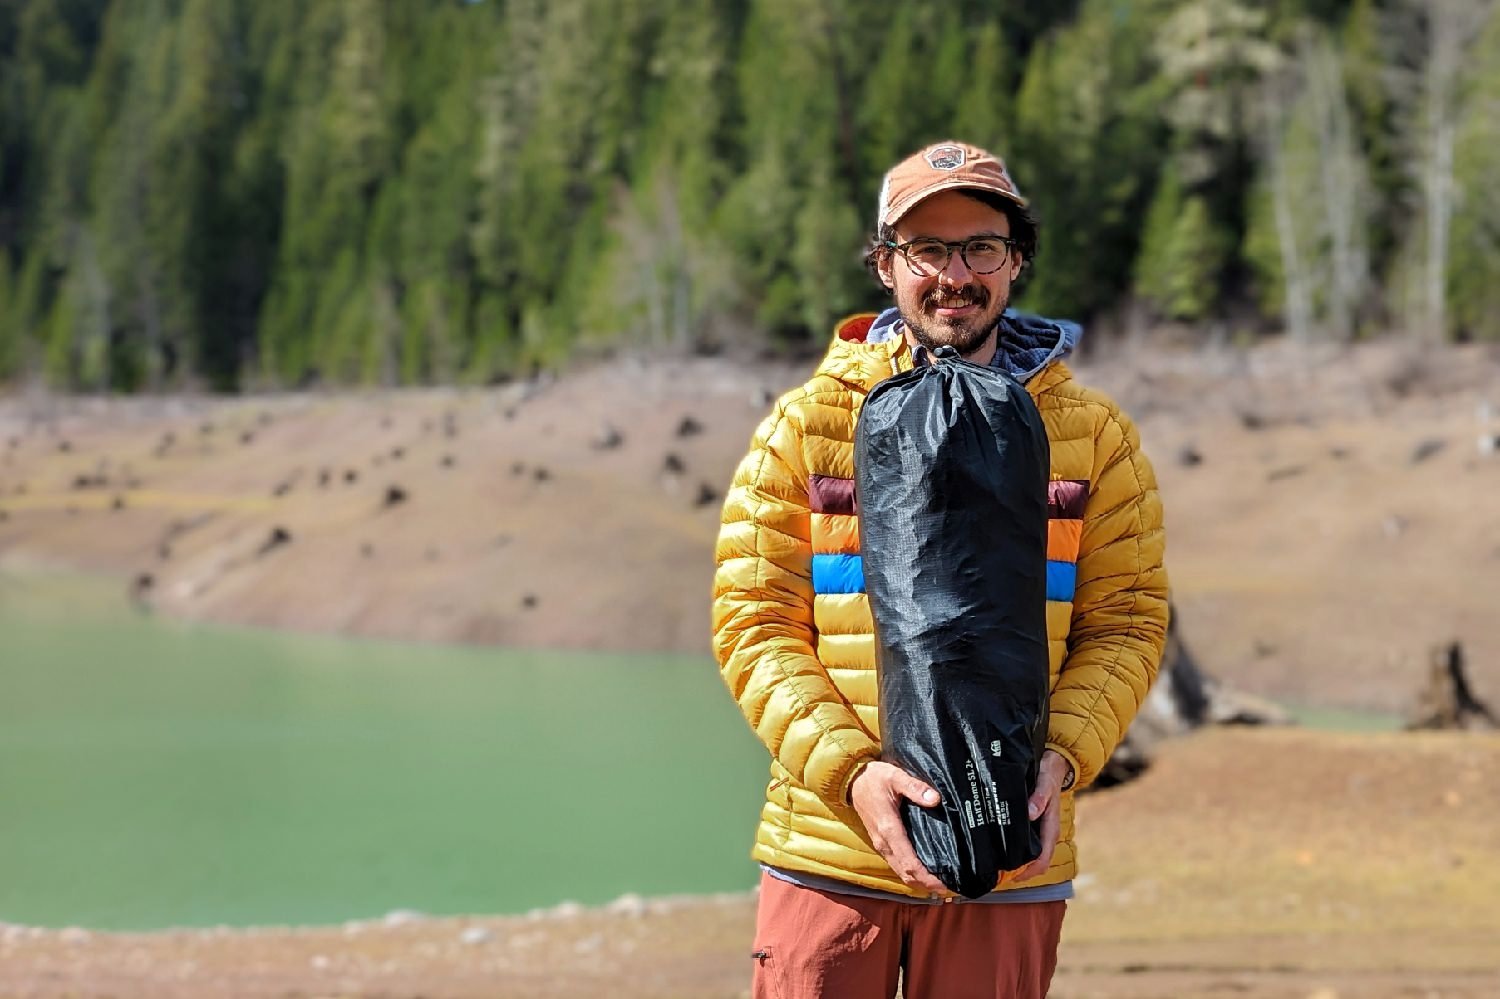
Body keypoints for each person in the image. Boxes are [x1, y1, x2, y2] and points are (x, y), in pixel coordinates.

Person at [711, 140, 1169, 998]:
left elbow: (1128, 622)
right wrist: (853, 773)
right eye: (927, 249)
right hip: (831, 853)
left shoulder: (1093, 435)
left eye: (980, 248)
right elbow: (755, 624)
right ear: (887, 265)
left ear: (1016, 261)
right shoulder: (807, 424)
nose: (954, 275)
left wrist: (1062, 758)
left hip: (1008, 854)